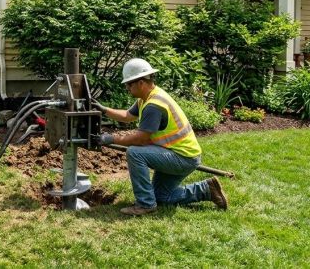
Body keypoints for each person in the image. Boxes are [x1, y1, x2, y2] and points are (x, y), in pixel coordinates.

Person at [91, 58, 228, 216]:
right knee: (162, 197)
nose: (127, 88)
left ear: (141, 82)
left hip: (182, 158)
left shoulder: (153, 106)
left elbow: (140, 139)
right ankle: (206, 190)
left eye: (129, 84)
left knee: (135, 153)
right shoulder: (148, 97)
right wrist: (104, 109)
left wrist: (111, 139)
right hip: (181, 154)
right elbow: (128, 115)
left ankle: (145, 204)